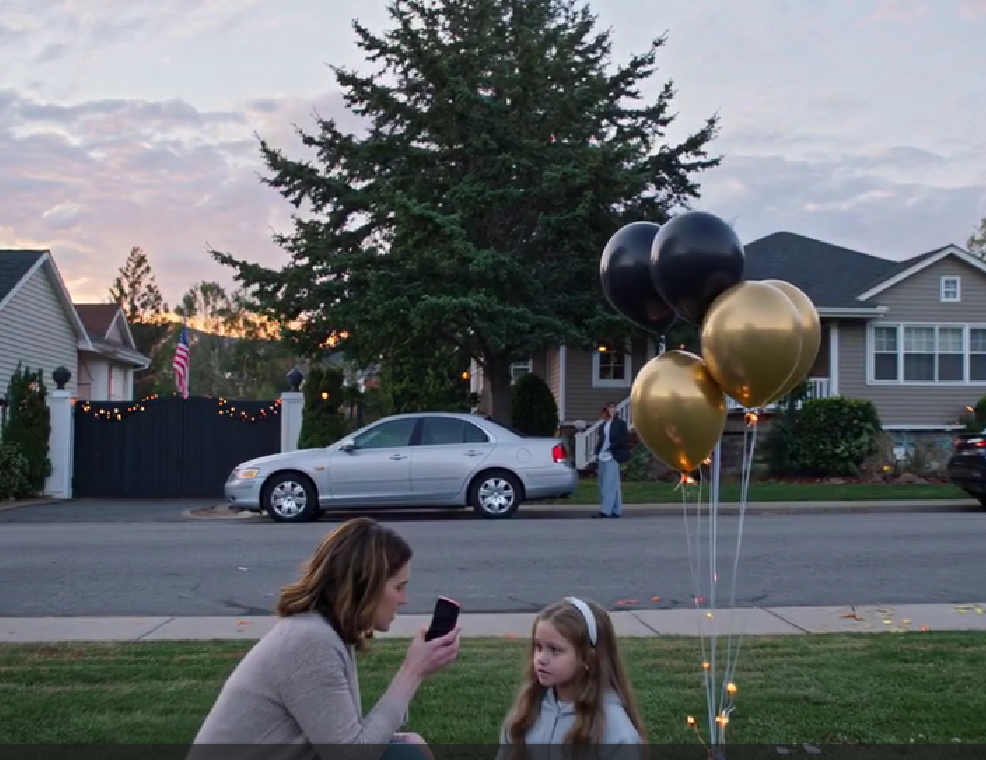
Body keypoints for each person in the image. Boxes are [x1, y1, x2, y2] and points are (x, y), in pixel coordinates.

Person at [189, 517, 461, 760]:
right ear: (365, 587)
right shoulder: (310, 642)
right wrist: (412, 672)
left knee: (407, 747)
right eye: (398, 587)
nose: (404, 599)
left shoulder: (325, 632)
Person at [497, 597, 646, 760]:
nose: (541, 658)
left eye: (554, 650)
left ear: (588, 659)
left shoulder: (615, 730)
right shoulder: (528, 709)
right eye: (538, 647)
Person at [593, 403, 630, 518]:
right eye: (609, 408)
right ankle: (616, 510)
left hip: (613, 456)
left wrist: (612, 447)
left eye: (613, 408)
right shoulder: (603, 425)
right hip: (602, 456)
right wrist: (597, 451)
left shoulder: (620, 424)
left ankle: (606, 511)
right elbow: (602, 440)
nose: (611, 410)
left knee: (609, 484)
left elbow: (624, 438)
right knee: (607, 484)